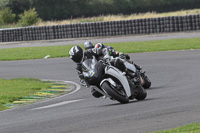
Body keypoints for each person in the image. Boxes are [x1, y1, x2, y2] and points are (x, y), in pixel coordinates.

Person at [69, 45, 135, 98]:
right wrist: (85, 83)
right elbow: (81, 79)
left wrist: (106, 56)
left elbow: (103, 50)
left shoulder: (90, 52)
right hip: (95, 75)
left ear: (81, 53)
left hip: (104, 64)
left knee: (117, 62)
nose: (76, 59)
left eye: (77, 57)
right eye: (74, 58)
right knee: (94, 92)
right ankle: (111, 93)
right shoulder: (78, 67)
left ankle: (129, 74)